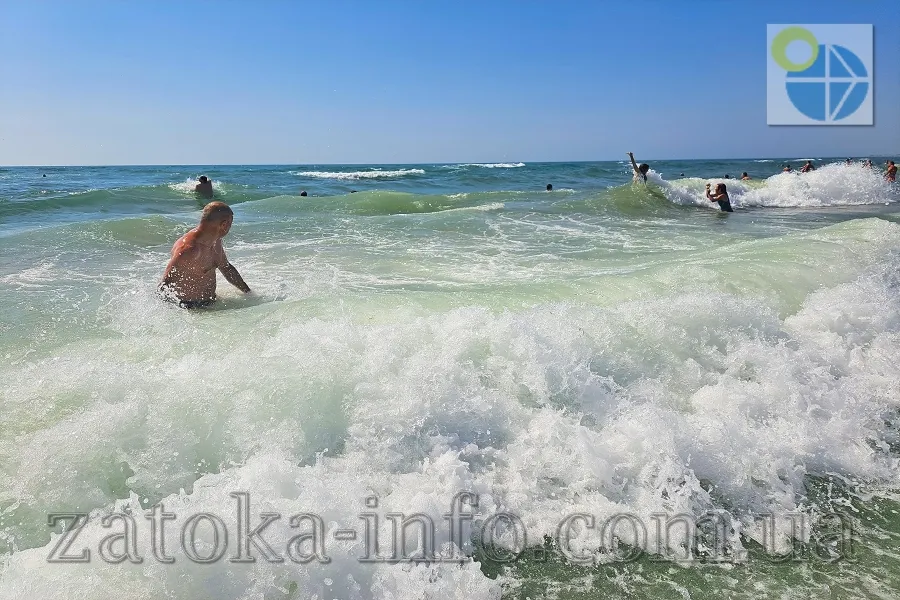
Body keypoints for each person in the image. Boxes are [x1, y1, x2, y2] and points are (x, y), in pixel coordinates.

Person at [158, 201, 251, 308]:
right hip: (190, 309)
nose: (229, 228)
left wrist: (248, 293)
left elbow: (226, 269)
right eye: (230, 224)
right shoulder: (188, 250)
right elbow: (164, 286)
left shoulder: (215, 242)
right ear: (224, 224)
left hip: (211, 306)